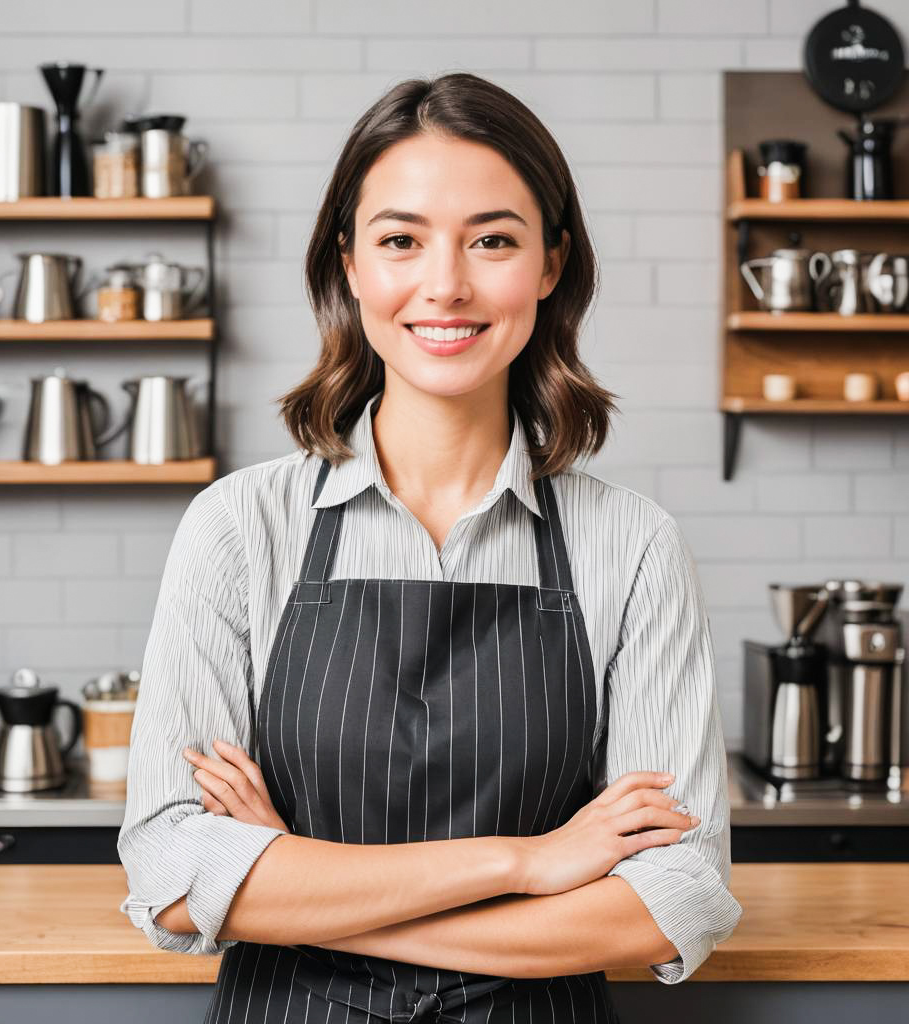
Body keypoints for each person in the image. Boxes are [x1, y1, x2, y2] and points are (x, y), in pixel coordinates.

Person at [117, 71, 742, 1023]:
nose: (444, 284)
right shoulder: (241, 528)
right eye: (401, 240)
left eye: (493, 240)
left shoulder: (632, 545)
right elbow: (169, 873)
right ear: (351, 265)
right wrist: (526, 863)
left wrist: (297, 889)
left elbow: (675, 899)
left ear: (551, 264)